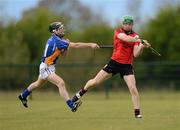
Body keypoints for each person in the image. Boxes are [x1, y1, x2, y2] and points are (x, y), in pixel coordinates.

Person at [71, 15, 151, 118]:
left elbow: (136, 54)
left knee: (133, 88)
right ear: (123, 24)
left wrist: (142, 47)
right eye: (126, 24)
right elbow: (125, 38)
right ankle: (79, 94)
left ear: (132, 25)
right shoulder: (118, 32)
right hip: (114, 63)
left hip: (127, 66)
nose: (127, 26)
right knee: (95, 82)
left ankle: (137, 113)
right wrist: (138, 40)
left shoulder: (135, 36)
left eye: (130, 24)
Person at [18, 21, 99, 112]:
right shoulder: (57, 41)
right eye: (60, 28)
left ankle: (23, 96)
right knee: (61, 83)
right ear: (55, 31)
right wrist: (91, 45)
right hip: (47, 67)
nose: (63, 29)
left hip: (47, 66)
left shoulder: (57, 40)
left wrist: (66, 47)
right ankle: (71, 105)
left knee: (38, 83)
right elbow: (76, 45)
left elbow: (63, 55)